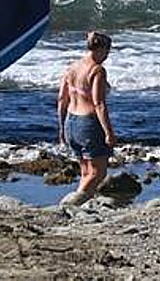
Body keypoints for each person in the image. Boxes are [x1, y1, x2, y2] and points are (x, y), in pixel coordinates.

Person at [57, 30, 116, 203]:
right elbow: (99, 104)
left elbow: (62, 99)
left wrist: (62, 128)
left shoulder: (72, 67)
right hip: (88, 123)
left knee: (86, 171)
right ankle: (72, 204)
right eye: (107, 51)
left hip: (71, 122)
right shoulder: (97, 70)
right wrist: (109, 132)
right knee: (98, 172)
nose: (107, 56)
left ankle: (78, 202)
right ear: (101, 49)